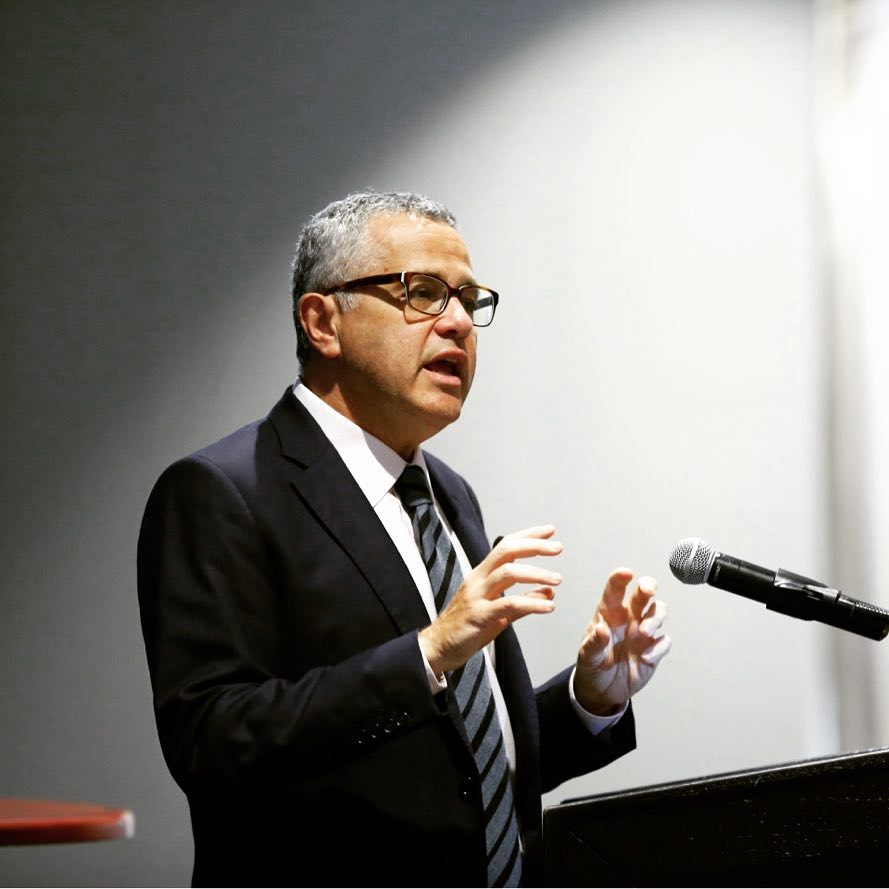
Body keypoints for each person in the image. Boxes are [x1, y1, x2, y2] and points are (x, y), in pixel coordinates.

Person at [137, 190, 671, 888]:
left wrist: (587, 699)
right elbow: (212, 743)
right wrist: (427, 651)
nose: (456, 322)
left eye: (468, 298)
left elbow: (457, 766)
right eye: (421, 293)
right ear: (321, 321)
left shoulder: (446, 491)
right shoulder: (224, 490)